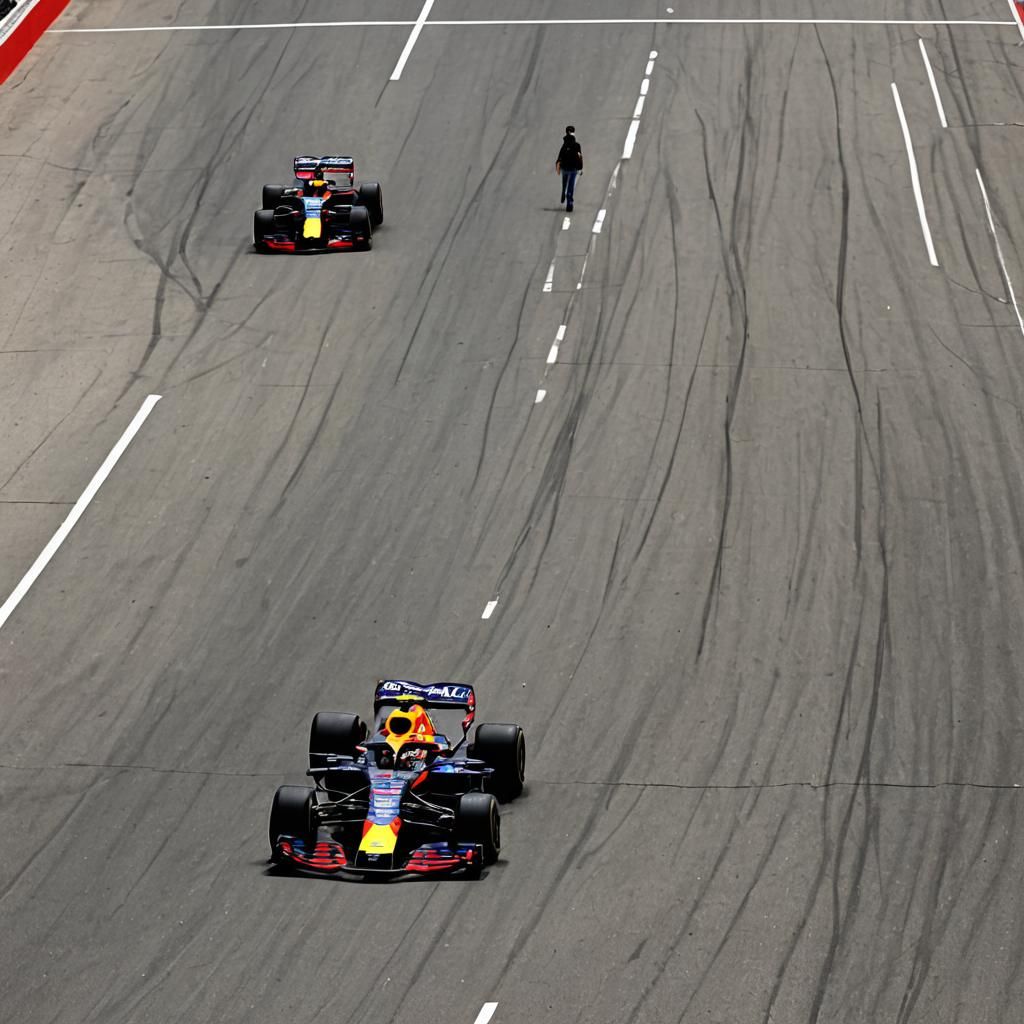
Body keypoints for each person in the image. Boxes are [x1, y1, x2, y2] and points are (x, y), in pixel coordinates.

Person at [555, 125, 583, 212]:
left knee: (564, 181)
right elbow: (580, 156)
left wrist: (558, 165)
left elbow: (560, 156)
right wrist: (580, 168)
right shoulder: (577, 145)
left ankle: (563, 191)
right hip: (573, 168)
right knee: (571, 184)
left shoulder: (564, 145)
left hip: (564, 168)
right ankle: (569, 201)